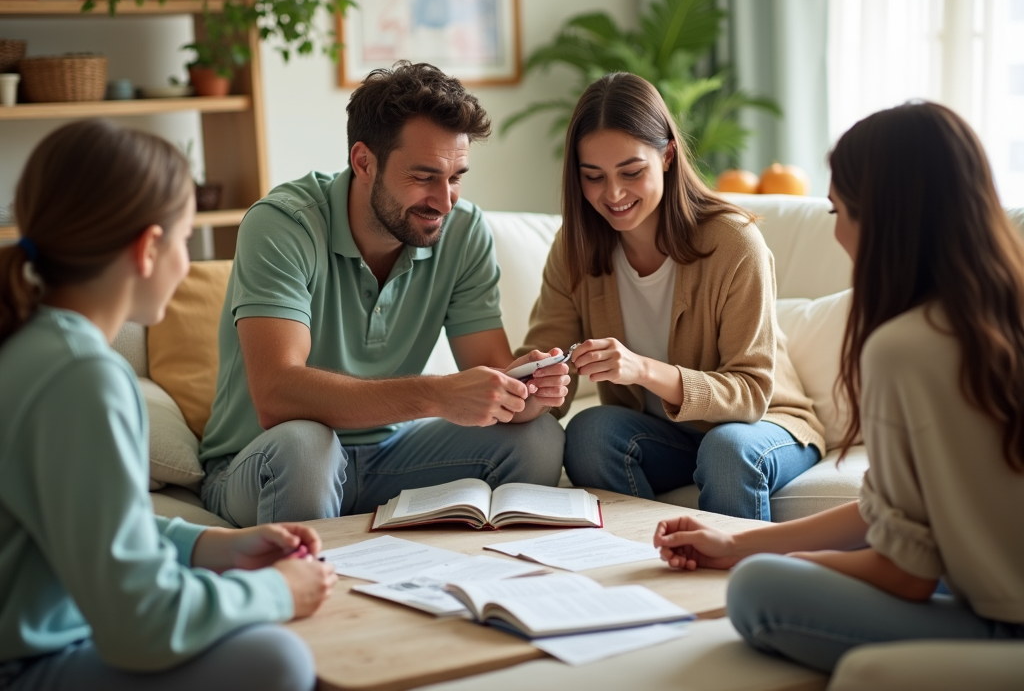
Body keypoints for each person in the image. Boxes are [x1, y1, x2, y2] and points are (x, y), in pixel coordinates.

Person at [652, 101, 1024, 672]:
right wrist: (735, 544)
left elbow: (906, 574)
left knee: (757, 590)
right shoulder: (1001, 311)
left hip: (1003, 626)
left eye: (838, 210)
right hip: (989, 594)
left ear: (882, 218)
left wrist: (774, 562)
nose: (839, 232)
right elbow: (884, 512)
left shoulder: (905, 347)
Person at [0, 120, 337, 690]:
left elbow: (94, 529)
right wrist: (279, 591)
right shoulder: (82, 376)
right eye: (184, 240)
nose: (187, 264)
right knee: (278, 660)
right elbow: (143, 624)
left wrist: (209, 545)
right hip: (27, 667)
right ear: (148, 248)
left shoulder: (34, 347)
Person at [199, 61, 568, 527]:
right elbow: (276, 394)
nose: (444, 200)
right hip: (267, 461)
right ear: (364, 162)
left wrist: (526, 391)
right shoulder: (282, 224)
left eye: (455, 177)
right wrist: (435, 395)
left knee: (538, 438)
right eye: (423, 177)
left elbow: (492, 376)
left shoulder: (464, 230)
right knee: (307, 446)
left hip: (391, 456)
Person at [518, 72, 823, 520]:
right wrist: (531, 380)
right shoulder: (573, 249)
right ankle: (635, 563)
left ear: (667, 155)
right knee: (589, 432)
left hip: (762, 424)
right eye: (593, 177)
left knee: (724, 449)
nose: (614, 194)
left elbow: (752, 392)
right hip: (666, 434)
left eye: (631, 171)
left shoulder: (734, 242)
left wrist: (642, 369)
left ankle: (724, 584)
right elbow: (546, 362)